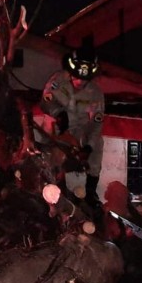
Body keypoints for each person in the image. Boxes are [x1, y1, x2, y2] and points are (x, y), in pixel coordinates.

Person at [40, 46, 105, 208]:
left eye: (84, 80)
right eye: (76, 78)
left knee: (98, 143)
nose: (80, 82)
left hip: (78, 130)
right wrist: (57, 112)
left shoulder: (96, 93)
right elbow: (45, 100)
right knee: (45, 136)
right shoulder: (57, 80)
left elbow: (97, 123)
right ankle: (46, 181)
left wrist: (88, 147)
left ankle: (90, 191)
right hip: (55, 125)